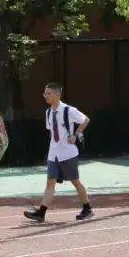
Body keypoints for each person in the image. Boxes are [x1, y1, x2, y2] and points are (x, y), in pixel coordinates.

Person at [25, 83, 92, 222]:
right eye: (45, 93)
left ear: (57, 94)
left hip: (68, 153)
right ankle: (41, 213)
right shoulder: (48, 112)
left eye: (48, 93)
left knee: (75, 182)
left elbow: (85, 120)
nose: (45, 96)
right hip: (53, 154)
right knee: (50, 183)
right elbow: (52, 131)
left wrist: (76, 134)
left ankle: (87, 208)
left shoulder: (68, 110)